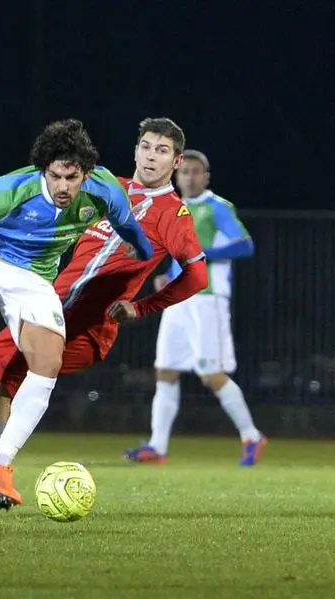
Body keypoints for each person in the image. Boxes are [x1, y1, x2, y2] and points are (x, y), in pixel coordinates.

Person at [0, 117, 208, 517]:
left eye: (162, 151)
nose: (152, 157)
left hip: (87, 327)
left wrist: (142, 306)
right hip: (47, 305)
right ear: (135, 150)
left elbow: (198, 276)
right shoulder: (103, 187)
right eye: (147, 147)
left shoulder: (173, 214)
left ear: (176, 160)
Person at [125, 150, 265, 466]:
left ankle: (252, 436)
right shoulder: (177, 209)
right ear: (176, 175)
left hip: (207, 299)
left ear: (206, 177)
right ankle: (157, 447)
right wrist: (168, 277)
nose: (189, 176)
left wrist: (203, 254)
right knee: (166, 370)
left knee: (210, 374)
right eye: (184, 171)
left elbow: (245, 244)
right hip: (179, 299)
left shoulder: (217, 207)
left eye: (196, 171)